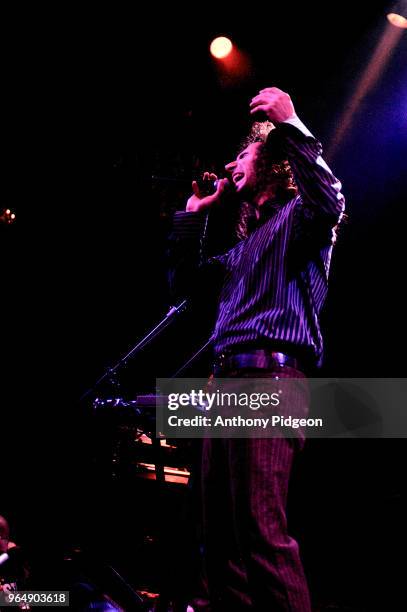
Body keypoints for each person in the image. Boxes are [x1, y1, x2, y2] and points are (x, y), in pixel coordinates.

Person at [168, 87, 345, 611]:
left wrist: (290, 125)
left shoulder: (303, 219)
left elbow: (330, 197)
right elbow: (188, 286)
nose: (230, 162)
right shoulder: (245, 248)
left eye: (243, 154)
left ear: (272, 162)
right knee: (219, 544)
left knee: (260, 534)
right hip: (223, 387)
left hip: (269, 381)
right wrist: (195, 215)